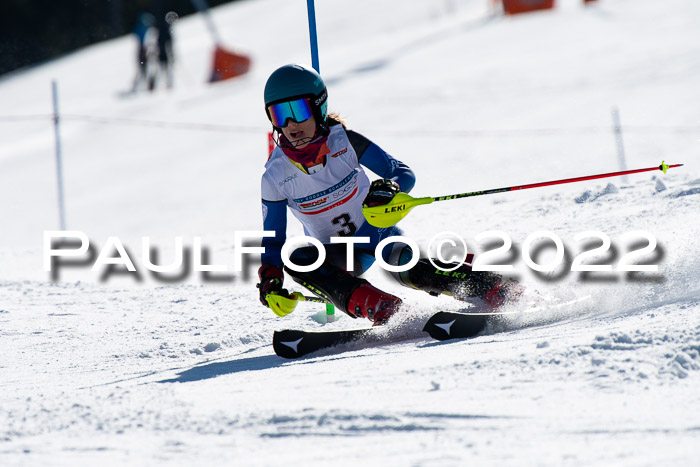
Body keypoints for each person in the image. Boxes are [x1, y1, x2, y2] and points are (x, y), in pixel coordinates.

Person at [257, 64, 521, 325]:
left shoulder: (345, 142)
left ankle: (493, 288)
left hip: (378, 233)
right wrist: (270, 278)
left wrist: (389, 188)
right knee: (297, 260)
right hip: (338, 257)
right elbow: (273, 240)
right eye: (280, 115)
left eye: (299, 111)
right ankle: (382, 308)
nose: (291, 125)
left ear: (318, 107)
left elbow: (402, 173)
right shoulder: (274, 176)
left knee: (411, 270)